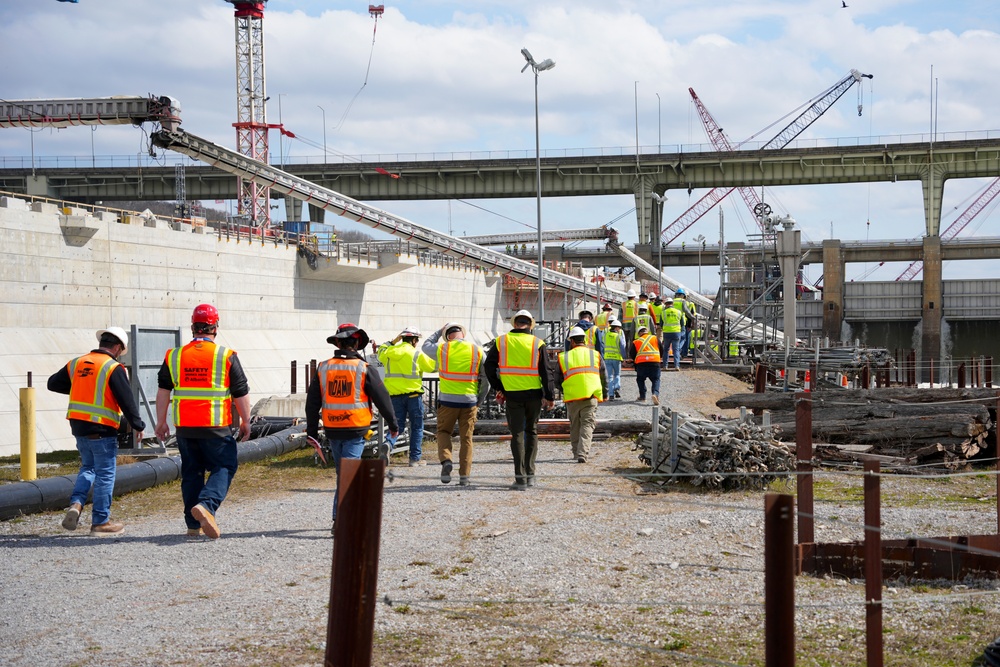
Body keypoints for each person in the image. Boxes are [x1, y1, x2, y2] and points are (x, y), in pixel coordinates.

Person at [155, 304, 252, 539]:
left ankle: (192, 525)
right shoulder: (226, 356)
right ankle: (207, 506)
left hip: (185, 427)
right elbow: (240, 392)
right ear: (215, 327)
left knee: (192, 472)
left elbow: (163, 391)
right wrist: (246, 421)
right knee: (225, 466)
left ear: (192, 327)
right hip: (215, 426)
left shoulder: (174, 355)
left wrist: (160, 422)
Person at [48, 327, 145, 536]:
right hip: (102, 428)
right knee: (106, 474)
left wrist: (82, 385)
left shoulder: (77, 363)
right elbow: (126, 400)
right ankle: (100, 522)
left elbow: (52, 383)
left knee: (88, 467)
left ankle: (76, 504)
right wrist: (138, 425)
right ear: (118, 348)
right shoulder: (113, 367)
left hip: (78, 427)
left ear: (102, 342)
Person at [306, 323, 398, 533]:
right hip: (356, 431)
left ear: (337, 342)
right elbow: (382, 399)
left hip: (332, 430)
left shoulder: (323, 367)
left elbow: (312, 404)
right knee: (349, 475)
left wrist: (312, 433)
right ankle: (342, 520)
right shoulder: (364, 368)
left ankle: (342, 518)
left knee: (344, 474)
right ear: (357, 343)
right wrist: (393, 424)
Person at [484, 310, 555, 490]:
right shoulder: (537, 343)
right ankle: (530, 474)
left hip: (512, 395)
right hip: (533, 395)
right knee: (531, 431)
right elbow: (546, 372)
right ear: (530, 325)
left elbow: (488, 366)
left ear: (515, 324)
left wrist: (498, 386)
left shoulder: (501, 341)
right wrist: (549, 396)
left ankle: (520, 478)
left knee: (516, 434)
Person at [422, 322, 488, 486]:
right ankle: (464, 477)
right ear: (462, 335)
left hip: (447, 401)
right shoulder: (477, 350)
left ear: (447, 336)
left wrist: (439, 330)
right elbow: (487, 379)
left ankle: (446, 461)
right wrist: (479, 400)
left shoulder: (443, 349)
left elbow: (425, 346)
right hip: (470, 401)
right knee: (467, 439)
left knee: (443, 431)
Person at [377, 326, 436, 467]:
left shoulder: (389, 352)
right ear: (414, 340)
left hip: (395, 396)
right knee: (416, 427)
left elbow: (380, 351)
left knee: (397, 425)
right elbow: (432, 367)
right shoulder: (416, 354)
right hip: (414, 396)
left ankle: (388, 443)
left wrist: (394, 340)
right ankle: (415, 459)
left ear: (402, 338)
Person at [556, 327, 607, 463]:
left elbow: (557, 380)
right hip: (591, 396)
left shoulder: (564, 357)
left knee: (575, 425)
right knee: (587, 425)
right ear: (583, 340)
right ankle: (582, 453)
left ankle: (575, 452)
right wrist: (605, 393)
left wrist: (565, 389)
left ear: (572, 341)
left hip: (572, 398)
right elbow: (603, 376)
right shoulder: (595, 355)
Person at [630, 325, 662, 405]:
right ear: (647, 332)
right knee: (656, 379)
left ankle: (642, 396)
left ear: (639, 333)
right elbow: (661, 349)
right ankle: (655, 394)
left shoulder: (636, 341)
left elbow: (632, 354)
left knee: (640, 379)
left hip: (641, 363)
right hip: (654, 362)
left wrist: (635, 362)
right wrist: (658, 358)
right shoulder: (655, 338)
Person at [603, 319, 626, 400]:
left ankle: (611, 395)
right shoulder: (618, 336)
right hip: (616, 358)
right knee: (617, 374)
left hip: (607, 358)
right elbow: (622, 347)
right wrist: (624, 357)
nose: (619, 329)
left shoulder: (605, 335)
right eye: (619, 328)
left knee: (609, 376)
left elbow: (603, 345)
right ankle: (616, 387)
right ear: (616, 328)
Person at [660, 297, 684, 371]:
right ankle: (677, 366)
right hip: (676, 333)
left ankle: (665, 366)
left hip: (667, 333)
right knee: (676, 350)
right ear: (672, 304)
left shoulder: (663, 312)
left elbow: (661, 324)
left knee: (666, 350)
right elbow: (682, 323)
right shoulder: (678, 312)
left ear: (666, 304)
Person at [674, 287, 698, 358]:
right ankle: (682, 353)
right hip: (684, 322)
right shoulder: (688, 303)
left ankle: (679, 352)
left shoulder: (673, 301)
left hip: (674, 322)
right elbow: (691, 313)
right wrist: (692, 323)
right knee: (684, 338)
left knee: (677, 339)